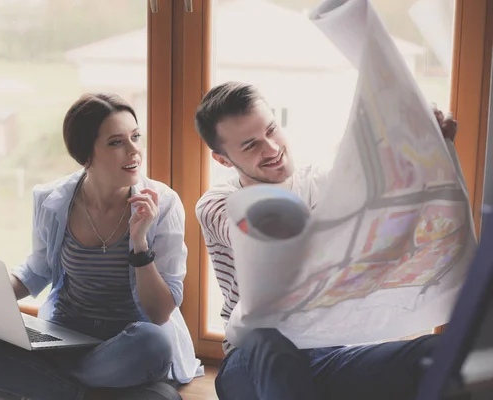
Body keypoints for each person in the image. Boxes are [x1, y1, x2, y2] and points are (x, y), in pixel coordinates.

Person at [194, 81, 459, 400]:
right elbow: (253, 231)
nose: (272, 148)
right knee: (269, 342)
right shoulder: (218, 202)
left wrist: (421, 144)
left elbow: (385, 193)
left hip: (328, 354)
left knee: (441, 352)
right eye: (250, 145)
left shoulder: (321, 182)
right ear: (222, 160)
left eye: (272, 130)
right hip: (252, 360)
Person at [0, 93, 200, 400]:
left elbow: (160, 312)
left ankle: (46, 386)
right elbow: (36, 272)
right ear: (85, 155)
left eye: (135, 137)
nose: (134, 151)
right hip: (64, 337)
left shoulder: (162, 204)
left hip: (127, 344)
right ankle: (79, 393)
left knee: (153, 343)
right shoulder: (52, 200)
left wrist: (139, 243)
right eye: (116, 142)